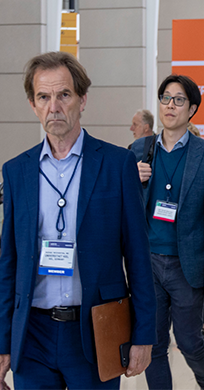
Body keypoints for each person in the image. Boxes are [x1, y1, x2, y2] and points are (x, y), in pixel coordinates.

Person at [0, 52, 156, 389]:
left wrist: (144, 335)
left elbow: (139, 256)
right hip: (32, 335)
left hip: (95, 329)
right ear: (32, 104)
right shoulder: (16, 172)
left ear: (82, 100)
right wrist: (1, 343)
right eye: (44, 96)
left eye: (64, 95)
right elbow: (8, 264)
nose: (54, 106)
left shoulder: (117, 165)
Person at [131, 74, 204, 390]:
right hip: (146, 263)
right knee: (153, 344)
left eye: (179, 99)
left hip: (187, 264)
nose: (170, 105)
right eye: (165, 98)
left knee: (189, 341)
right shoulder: (139, 150)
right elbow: (117, 207)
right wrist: (131, 180)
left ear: (192, 108)